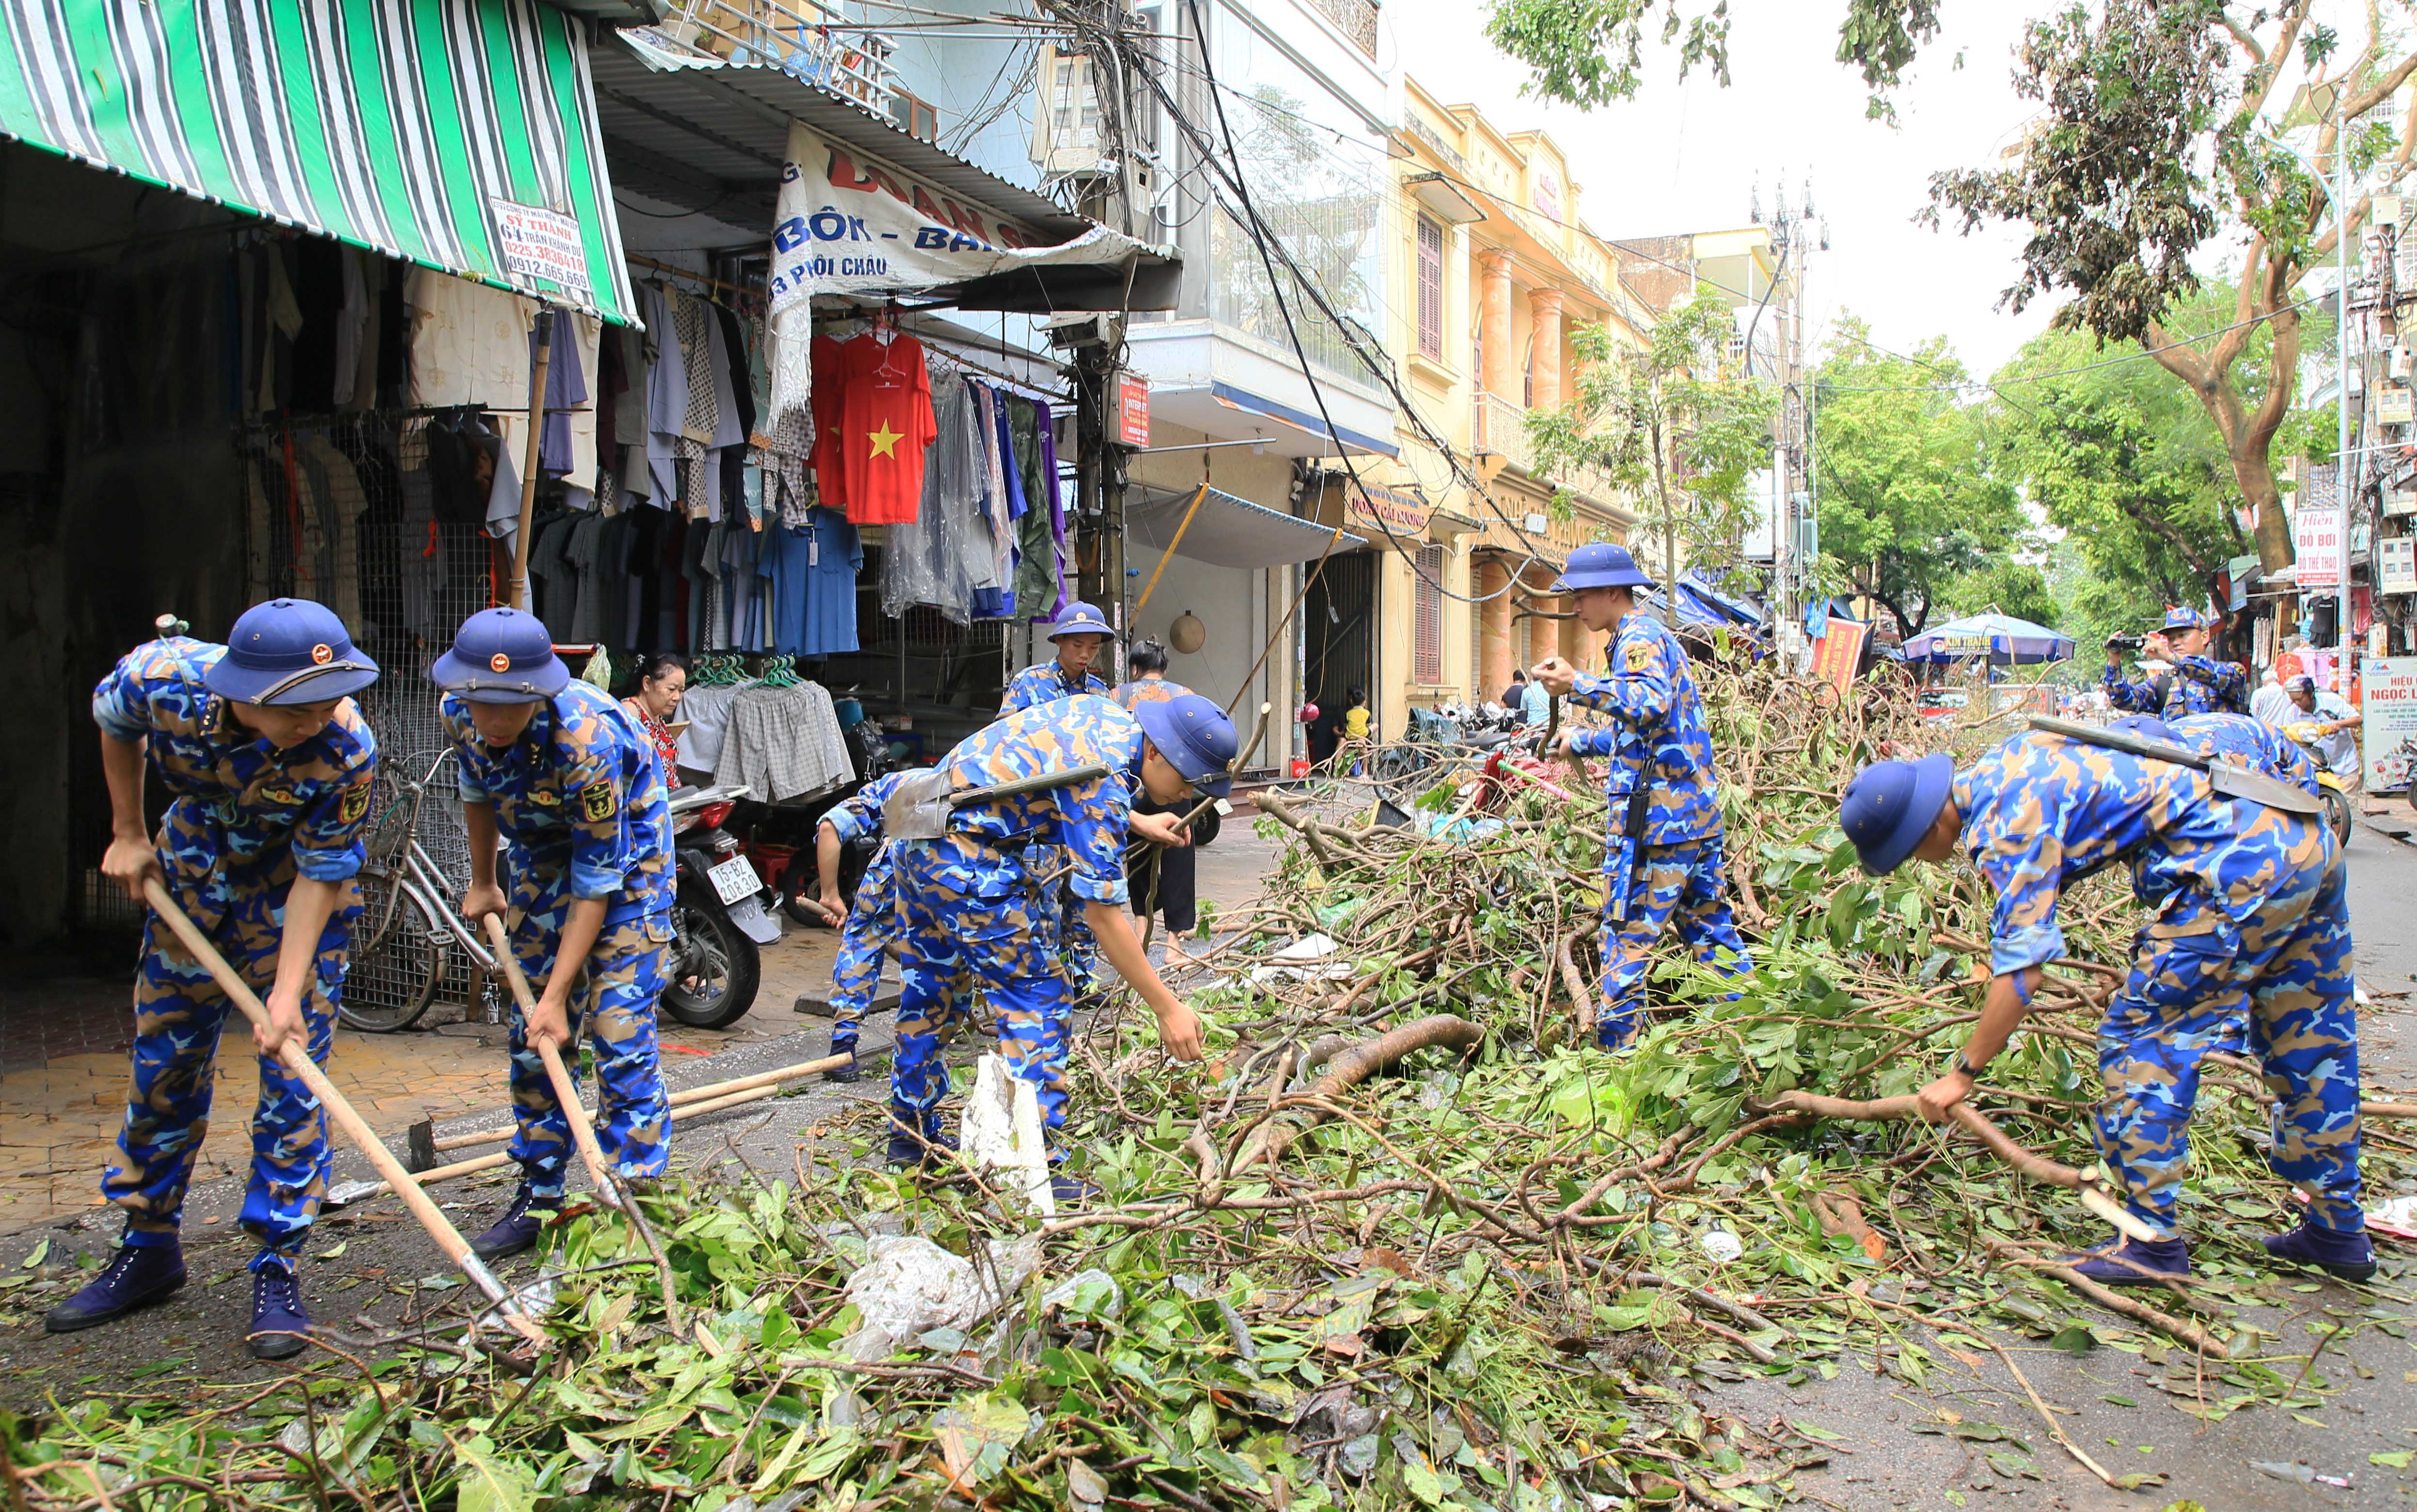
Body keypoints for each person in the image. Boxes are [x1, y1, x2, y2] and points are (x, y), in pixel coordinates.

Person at [1838, 722, 2369, 1285]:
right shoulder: (2018, 753)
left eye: (1911, 853)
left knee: (2141, 1039)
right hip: (2303, 836)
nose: (1921, 862)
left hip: (2235, 871)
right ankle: (2337, 1228)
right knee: (2310, 1035)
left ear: (1926, 825)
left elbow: (2020, 975)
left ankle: (2148, 1240)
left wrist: (1963, 1073)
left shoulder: (2001, 824)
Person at [46, 600, 380, 1360]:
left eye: (331, 697)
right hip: (189, 882)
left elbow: (323, 872)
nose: (323, 716)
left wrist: (286, 995)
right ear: (249, 691)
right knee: (165, 1064)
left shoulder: (347, 745)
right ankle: (149, 1247)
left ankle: (277, 1264)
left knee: (291, 1076)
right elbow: (115, 721)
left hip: (292, 897)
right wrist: (128, 832)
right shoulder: (164, 679)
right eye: (303, 705)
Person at [886, 693, 1234, 1194]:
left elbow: (1061, 778)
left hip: (920, 832)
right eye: (1183, 783)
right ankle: (1036, 1167)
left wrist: (1136, 822)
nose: (1182, 797)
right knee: (1039, 994)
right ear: (1156, 753)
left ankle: (908, 1136)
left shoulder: (1109, 723)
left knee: (935, 990)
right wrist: (1167, 1008)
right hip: (964, 851)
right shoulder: (1105, 783)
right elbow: (1103, 917)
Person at [431, 608, 677, 1260]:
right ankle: (539, 1196)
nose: (495, 719)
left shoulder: (585, 739)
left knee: (618, 1030)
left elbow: (597, 882)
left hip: (630, 866)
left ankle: (633, 1202)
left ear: (541, 690)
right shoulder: (457, 712)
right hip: (540, 856)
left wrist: (558, 994)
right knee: (533, 1036)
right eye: (483, 704)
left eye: (512, 706)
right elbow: (475, 787)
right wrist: (485, 879)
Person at [1530, 544, 1752, 1049]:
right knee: (1712, 934)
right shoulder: (1642, 637)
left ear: (1612, 591)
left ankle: (1617, 1066)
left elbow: (1648, 704)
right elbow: (1654, 736)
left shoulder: (1639, 636)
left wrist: (1577, 684)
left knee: (1625, 940)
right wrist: (1582, 740)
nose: (1576, 606)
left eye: (1582, 595)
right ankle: (1752, 1038)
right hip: (1692, 820)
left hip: (1660, 830)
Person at [812, 771, 968, 1083]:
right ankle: (931, 1049)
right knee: (950, 952)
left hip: (899, 863)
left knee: (863, 942)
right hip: (959, 872)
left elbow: (831, 826)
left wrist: (830, 894)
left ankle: (843, 1047)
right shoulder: (985, 779)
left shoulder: (900, 783)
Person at [1113, 639, 1219, 938]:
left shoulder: (1115, 695)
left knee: (1136, 854)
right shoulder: (1185, 696)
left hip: (1134, 784)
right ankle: (1175, 940)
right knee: (1179, 856)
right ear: (1165, 669)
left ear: (1134, 669)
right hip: (1175, 784)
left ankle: (1141, 925)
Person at [2103, 606, 2249, 717]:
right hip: (2178, 755)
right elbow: (2123, 700)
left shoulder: (2232, 671)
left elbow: (2211, 674)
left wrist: (2172, 658)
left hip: (2217, 755)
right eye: (2172, 639)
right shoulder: (2163, 683)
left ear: (2205, 637)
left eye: (2183, 635)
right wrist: (2114, 661)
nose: (2176, 643)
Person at [1003, 601, 1114, 711]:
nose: (1085, 655)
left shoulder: (1100, 692)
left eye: (1094, 647)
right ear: (1060, 640)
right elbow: (1004, 727)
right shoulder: (1028, 683)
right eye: (1078, 645)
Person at [2282, 673, 2363, 790]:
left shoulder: (2332, 701)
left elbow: (2358, 719)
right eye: (2294, 701)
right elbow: (2289, 739)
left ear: (2311, 694)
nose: (2298, 704)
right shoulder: (2292, 714)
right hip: (2317, 770)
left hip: (2345, 765)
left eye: (2300, 699)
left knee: (2345, 805)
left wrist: (2340, 724)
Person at [622, 652, 687, 774]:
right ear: (647, 684)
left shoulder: (656, 715)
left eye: (681, 691)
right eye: (672, 689)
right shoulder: (630, 712)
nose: (677, 697)